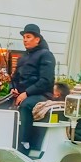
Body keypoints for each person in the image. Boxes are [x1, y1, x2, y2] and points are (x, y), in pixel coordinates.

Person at [10, 24, 57, 152]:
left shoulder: (46, 55)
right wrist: (12, 89)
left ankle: (25, 142)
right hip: (21, 94)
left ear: (37, 39)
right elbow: (14, 78)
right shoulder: (22, 58)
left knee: (26, 105)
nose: (25, 39)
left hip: (41, 94)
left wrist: (26, 93)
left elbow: (46, 81)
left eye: (28, 37)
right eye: (24, 37)